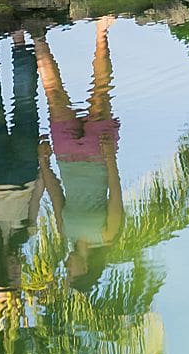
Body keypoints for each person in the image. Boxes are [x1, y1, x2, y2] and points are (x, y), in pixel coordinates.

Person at [35, 19, 124, 293]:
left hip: (66, 156)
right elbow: (115, 193)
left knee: (54, 96)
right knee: (100, 93)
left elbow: (55, 193)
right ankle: (101, 32)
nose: (66, 268)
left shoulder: (66, 232)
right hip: (98, 157)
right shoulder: (108, 235)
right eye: (70, 273)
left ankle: (38, 37)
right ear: (84, 271)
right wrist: (110, 157)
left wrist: (44, 162)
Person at [0, 33, 44, 297]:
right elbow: (36, 196)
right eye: (19, 275)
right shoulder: (24, 235)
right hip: (24, 171)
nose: (18, 270)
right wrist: (43, 164)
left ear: (1, 269)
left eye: (13, 274)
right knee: (25, 105)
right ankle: (18, 40)